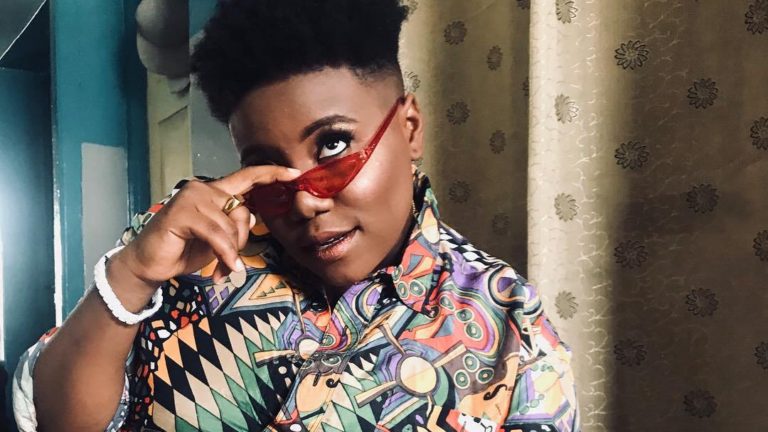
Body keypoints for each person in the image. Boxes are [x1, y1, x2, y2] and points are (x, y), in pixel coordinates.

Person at [14, 0, 579, 430]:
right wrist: (131, 275)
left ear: (409, 128)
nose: (305, 201)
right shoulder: (187, 243)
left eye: (333, 145)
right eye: (266, 166)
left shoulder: (513, 337)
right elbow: (59, 420)